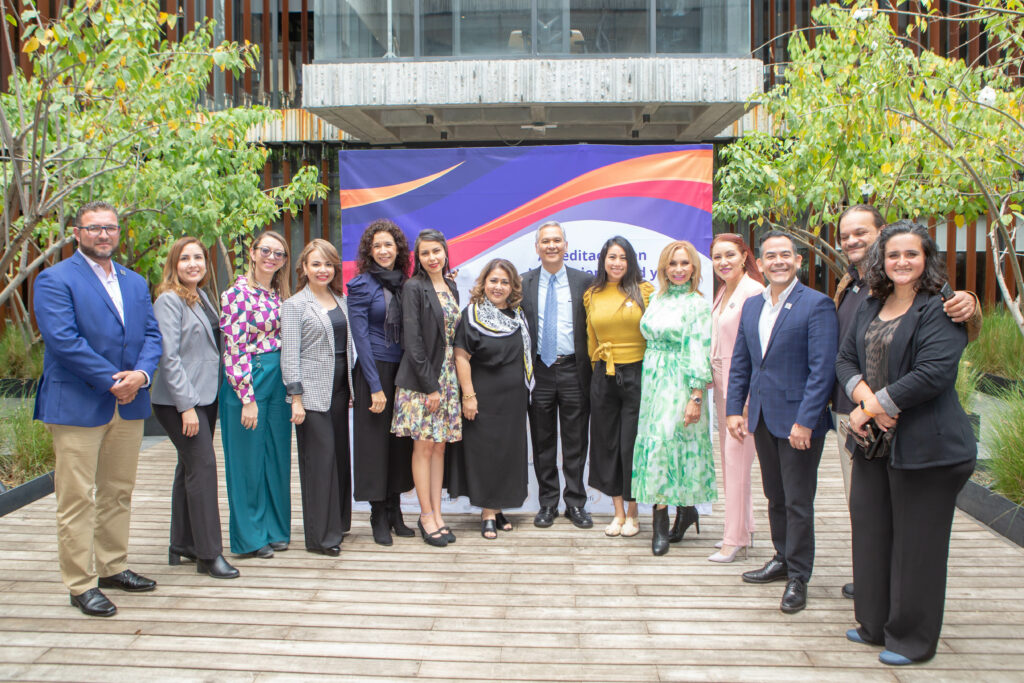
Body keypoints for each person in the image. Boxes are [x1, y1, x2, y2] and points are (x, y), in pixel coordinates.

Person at [836, 220, 977, 666]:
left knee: (918, 548)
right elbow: (845, 359)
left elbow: (934, 373)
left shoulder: (942, 306)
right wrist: (867, 404)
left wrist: (872, 405)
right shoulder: (872, 301)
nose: (901, 262)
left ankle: (911, 640)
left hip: (928, 448)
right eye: (893, 255)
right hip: (874, 443)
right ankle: (874, 624)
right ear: (883, 258)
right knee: (872, 533)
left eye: (910, 254)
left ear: (926, 258)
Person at [33, 200, 163, 617]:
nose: (103, 234)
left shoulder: (135, 281)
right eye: (93, 228)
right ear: (77, 233)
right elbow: (64, 342)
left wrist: (140, 377)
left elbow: (151, 336)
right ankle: (80, 583)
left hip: (128, 403)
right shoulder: (55, 280)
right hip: (78, 404)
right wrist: (114, 381)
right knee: (76, 498)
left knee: (118, 492)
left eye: (109, 227)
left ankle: (112, 567)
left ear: (118, 233)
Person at [726, 230, 838, 615]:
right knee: (775, 495)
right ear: (761, 261)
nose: (778, 261)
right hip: (760, 418)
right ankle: (782, 558)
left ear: (798, 261)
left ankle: (799, 576)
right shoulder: (753, 305)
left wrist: (806, 421)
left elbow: (822, 371)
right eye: (770, 255)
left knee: (798, 500)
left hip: (798, 425)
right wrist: (733, 410)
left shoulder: (817, 305)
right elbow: (742, 363)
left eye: (785, 255)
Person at [152, 237, 238, 579]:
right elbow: (168, 358)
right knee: (203, 468)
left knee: (187, 467)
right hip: (180, 401)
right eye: (185, 258)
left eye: (198, 258)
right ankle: (208, 554)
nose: (192, 264)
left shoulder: (201, 296)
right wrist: (186, 407)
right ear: (174, 263)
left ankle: (183, 543)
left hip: (206, 395)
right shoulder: (168, 300)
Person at [632, 241, 715, 556]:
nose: (679, 269)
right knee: (656, 445)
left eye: (685, 263)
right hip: (653, 380)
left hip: (680, 381)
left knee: (665, 449)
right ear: (664, 268)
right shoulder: (657, 297)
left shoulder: (697, 303)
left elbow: (699, 348)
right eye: (673, 264)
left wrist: (695, 396)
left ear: (694, 267)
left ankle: (661, 524)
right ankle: (686, 510)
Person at [220, 230, 292, 559]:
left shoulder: (276, 294)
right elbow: (233, 349)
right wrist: (246, 397)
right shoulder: (236, 294)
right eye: (266, 251)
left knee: (276, 457)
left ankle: (276, 529)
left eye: (279, 254)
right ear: (252, 252)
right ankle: (250, 536)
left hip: (277, 381)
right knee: (247, 461)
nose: (272, 258)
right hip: (249, 378)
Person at [281, 239, 355, 557]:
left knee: (338, 459)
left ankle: (337, 524)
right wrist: (295, 397)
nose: (322, 269)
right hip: (311, 395)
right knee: (319, 464)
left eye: (327, 264)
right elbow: (290, 356)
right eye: (316, 264)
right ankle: (319, 537)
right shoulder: (295, 305)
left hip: (340, 392)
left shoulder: (341, 300)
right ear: (304, 269)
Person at [450, 259, 533, 539]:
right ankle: (487, 512)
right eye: (494, 281)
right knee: (485, 454)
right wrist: (469, 396)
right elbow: (461, 357)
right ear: (484, 283)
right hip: (483, 397)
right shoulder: (471, 314)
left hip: (513, 400)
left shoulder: (517, 316)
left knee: (506, 454)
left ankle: (498, 509)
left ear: (513, 287)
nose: (498, 287)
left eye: (505, 282)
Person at [520, 221, 595, 530]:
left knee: (576, 441)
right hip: (538, 372)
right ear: (537, 247)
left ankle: (576, 503)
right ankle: (548, 503)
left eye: (556, 240)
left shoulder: (585, 282)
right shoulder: (522, 283)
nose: (551, 245)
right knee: (542, 440)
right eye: (545, 241)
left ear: (566, 245)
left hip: (574, 370)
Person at [392, 229, 462, 547]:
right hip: (424, 382)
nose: (432, 258)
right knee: (423, 447)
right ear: (417, 258)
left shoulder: (452, 286)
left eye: (437, 251)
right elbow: (414, 342)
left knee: (439, 447)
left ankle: (438, 512)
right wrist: (431, 387)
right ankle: (425, 515)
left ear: (445, 252)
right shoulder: (413, 287)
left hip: (448, 379)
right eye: (425, 253)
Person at [347, 220, 415, 546]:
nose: (384, 251)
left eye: (389, 245)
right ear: (369, 251)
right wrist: (374, 386)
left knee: (400, 445)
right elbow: (359, 338)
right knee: (375, 447)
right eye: (377, 246)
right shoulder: (361, 285)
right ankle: (377, 514)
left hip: (403, 373)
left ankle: (395, 510)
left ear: (398, 249)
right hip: (374, 373)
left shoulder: (407, 284)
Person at [583, 236, 655, 538]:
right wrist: (598, 375)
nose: (617, 263)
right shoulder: (592, 294)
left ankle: (635, 512)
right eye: (612, 257)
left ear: (631, 261)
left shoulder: (646, 291)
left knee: (632, 446)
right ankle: (618, 512)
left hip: (638, 374)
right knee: (607, 444)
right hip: (604, 375)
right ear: (603, 260)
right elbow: (591, 340)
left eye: (623, 257)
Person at [708, 233, 764, 563]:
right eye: (717, 257)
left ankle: (735, 538)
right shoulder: (724, 290)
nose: (723, 262)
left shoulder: (753, 292)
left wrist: (743, 402)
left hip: (740, 387)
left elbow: (755, 352)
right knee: (732, 463)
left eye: (730, 255)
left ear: (745, 256)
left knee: (737, 461)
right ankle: (745, 525)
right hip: (721, 383)